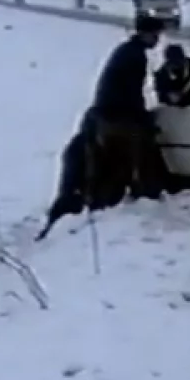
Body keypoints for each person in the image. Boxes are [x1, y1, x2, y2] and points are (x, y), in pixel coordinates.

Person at [86, 13, 163, 203]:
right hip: (115, 115)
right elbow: (131, 92)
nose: (157, 40)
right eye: (155, 35)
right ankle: (121, 197)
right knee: (128, 154)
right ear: (145, 33)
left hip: (107, 112)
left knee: (115, 159)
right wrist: (144, 118)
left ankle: (107, 197)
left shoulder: (128, 50)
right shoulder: (135, 56)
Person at [36, 110, 95, 240]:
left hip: (74, 183)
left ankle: (48, 227)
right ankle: (48, 228)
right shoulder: (83, 147)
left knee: (64, 198)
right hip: (76, 187)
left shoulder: (77, 144)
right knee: (66, 199)